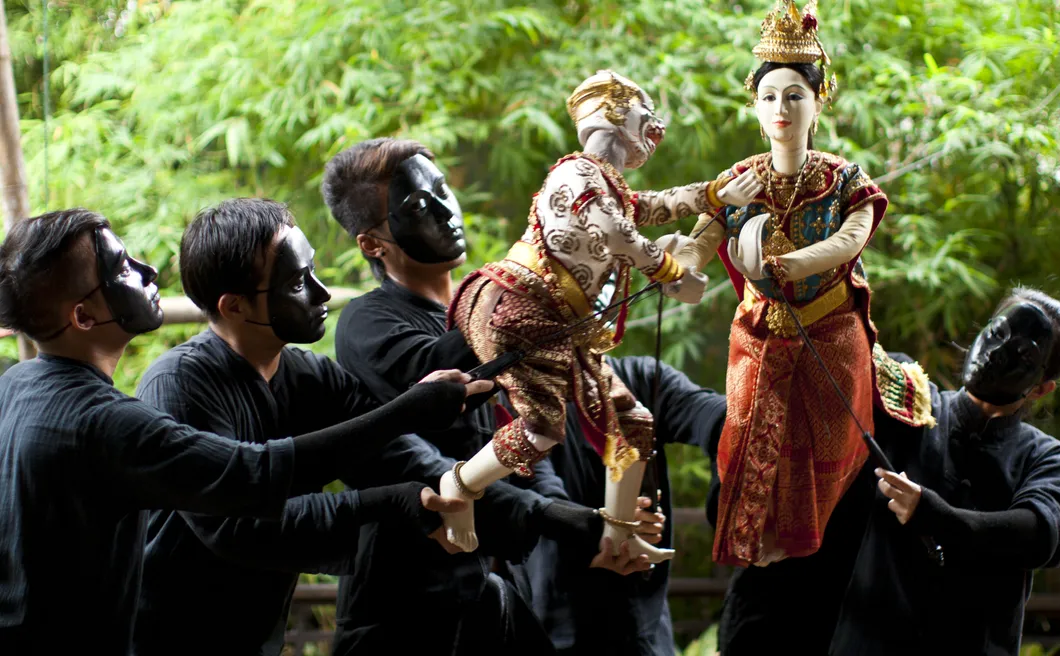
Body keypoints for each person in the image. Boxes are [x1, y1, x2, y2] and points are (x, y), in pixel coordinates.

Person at [135, 198, 648, 656]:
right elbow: (238, 526)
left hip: (258, 627)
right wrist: (390, 494)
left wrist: (568, 519)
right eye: (296, 282)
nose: (320, 293)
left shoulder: (308, 377)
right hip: (172, 632)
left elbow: (410, 461)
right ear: (235, 305)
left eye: (313, 272)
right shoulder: (181, 384)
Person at [0, 209, 474, 653]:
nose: (150, 273)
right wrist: (407, 412)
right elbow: (252, 474)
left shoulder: (18, 385)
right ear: (82, 318)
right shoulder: (107, 420)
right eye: (121, 269)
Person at [322, 140, 664, 654]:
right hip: (403, 607)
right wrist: (534, 289)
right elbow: (436, 370)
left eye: (442, 192)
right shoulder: (367, 322)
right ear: (373, 244)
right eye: (417, 206)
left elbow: (526, 446)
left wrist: (603, 530)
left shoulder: (480, 314)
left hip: (492, 590)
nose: (444, 211)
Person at [438, 70, 762, 563]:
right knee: (542, 430)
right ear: (616, 116)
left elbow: (650, 207)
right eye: (645, 117)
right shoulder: (576, 173)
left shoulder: (609, 185)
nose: (653, 131)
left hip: (562, 328)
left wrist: (718, 194)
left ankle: (618, 536)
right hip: (516, 308)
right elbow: (615, 232)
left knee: (632, 422)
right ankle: (459, 484)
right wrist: (669, 270)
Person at [669, 0, 934, 567]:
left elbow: (851, 239)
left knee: (829, 437)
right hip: (761, 330)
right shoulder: (739, 181)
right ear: (755, 106)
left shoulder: (843, 179)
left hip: (829, 327)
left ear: (819, 101)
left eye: (795, 95)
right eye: (769, 97)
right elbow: (702, 237)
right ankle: (754, 540)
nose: (781, 108)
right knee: (742, 432)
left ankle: (816, 540)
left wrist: (796, 264)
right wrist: (676, 263)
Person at [830, 287, 1060, 655]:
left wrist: (935, 515)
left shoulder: (1046, 456)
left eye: (1024, 355)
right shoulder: (909, 401)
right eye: (996, 334)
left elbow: (1041, 533)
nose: (996, 353)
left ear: (1042, 388)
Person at [511, 356, 727, 655]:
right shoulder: (513, 393)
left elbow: (717, 417)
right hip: (557, 628)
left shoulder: (638, 375)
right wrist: (608, 527)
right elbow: (539, 487)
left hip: (648, 630)